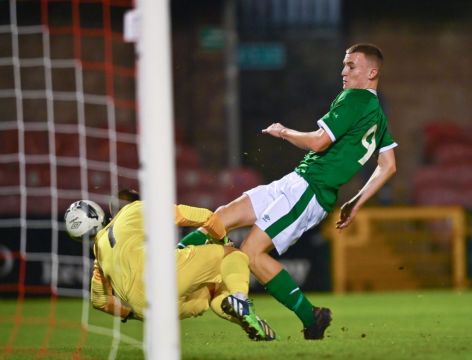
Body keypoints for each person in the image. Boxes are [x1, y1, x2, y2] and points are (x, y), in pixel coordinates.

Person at [189, 43, 397, 340]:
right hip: (297, 181)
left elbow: (318, 142)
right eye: (343, 65)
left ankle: (309, 316)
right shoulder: (377, 114)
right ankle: (173, 259)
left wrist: (284, 132)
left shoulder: (355, 99)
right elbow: (388, 165)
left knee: (249, 252)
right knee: (221, 217)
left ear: (372, 72)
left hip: (309, 191)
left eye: (351, 65)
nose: (343, 71)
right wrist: (355, 201)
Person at [64, 198, 276, 341]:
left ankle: (251, 324)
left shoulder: (98, 257)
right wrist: (223, 239)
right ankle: (240, 298)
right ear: (97, 211)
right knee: (234, 256)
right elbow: (196, 215)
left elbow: (99, 302)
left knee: (211, 290)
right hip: (163, 274)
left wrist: (132, 314)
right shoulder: (129, 212)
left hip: (150, 311)